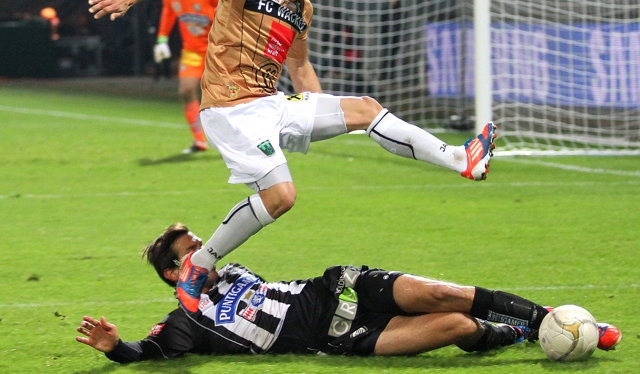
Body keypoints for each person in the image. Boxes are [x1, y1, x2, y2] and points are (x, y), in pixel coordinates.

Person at [88, 0, 498, 314]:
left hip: (272, 104)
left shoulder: (302, 8)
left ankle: (462, 159)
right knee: (281, 197)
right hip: (230, 110)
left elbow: (299, 69)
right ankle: (200, 263)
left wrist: (326, 113)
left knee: (365, 109)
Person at [75, 223, 622, 363]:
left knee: (441, 294)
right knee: (457, 327)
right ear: (175, 274)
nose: (208, 250)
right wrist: (115, 347)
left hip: (338, 287)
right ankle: (521, 333)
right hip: (338, 337)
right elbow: (148, 353)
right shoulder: (186, 322)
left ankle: (545, 315)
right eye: (194, 250)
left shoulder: (232, 270)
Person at [153, 0, 220, 153]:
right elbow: (168, 14)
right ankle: (200, 141)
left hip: (216, 50)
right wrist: (162, 40)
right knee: (186, 90)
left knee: (225, 96)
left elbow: (225, 13)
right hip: (192, 50)